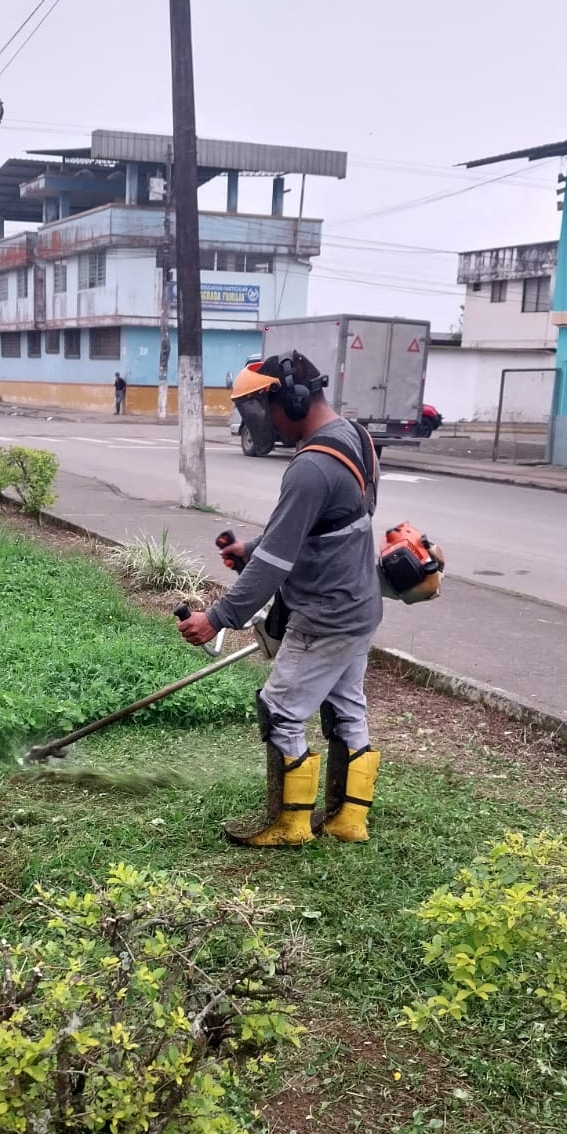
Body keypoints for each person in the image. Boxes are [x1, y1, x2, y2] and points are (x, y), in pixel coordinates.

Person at [177, 351, 382, 847]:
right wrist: (253, 548)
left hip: (324, 614)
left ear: (291, 400)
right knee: (346, 708)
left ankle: (290, 827)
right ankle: (349, 820)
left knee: (281, 711)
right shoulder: (355, 437)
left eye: (260, 409)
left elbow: (276, 562)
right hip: (359, 605)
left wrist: (218, 618)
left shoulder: (311, 466)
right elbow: (329, 522)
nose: (262, 422)